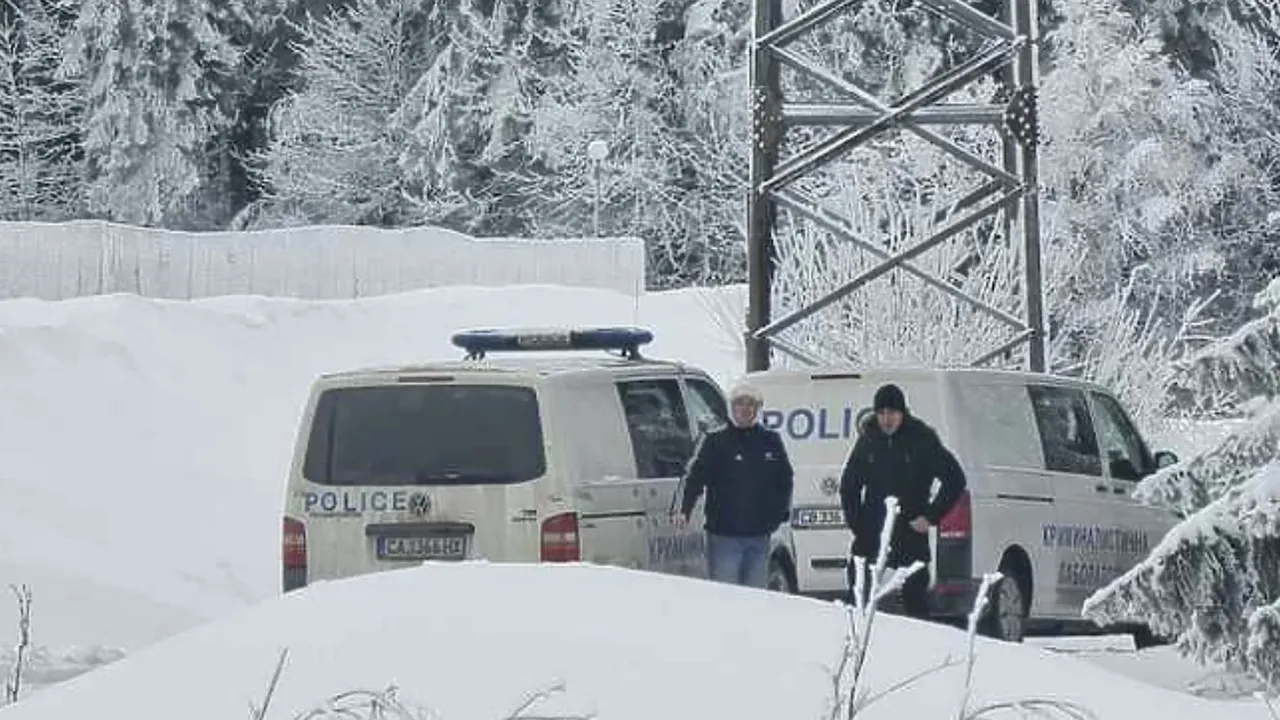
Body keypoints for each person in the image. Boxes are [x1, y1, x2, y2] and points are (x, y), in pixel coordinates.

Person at [839, 383, 967, 617]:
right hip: (872, 532)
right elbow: (849, 486)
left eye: (892, 413)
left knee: (915, 601)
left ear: (902, 413)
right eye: (882, 413)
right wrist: (858, 524)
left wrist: (930, 516)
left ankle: (918, 646)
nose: (887, 419)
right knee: (858, 592)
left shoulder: (922, 440)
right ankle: (858, 640)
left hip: (910, 531)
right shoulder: (869, 441)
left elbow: (955, 479)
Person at [674, 384, 794, 588]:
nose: (745, 409)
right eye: (740, 404)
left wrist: (778, 514)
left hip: (759, 537)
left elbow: (785, 478)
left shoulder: (770, 441)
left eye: (751, 404)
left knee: (755, 597)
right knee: (726, 595)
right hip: (724, 537)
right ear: (731, 408)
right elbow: (696, 477)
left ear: (758, 409)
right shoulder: (716, 442)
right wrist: (685, 509)